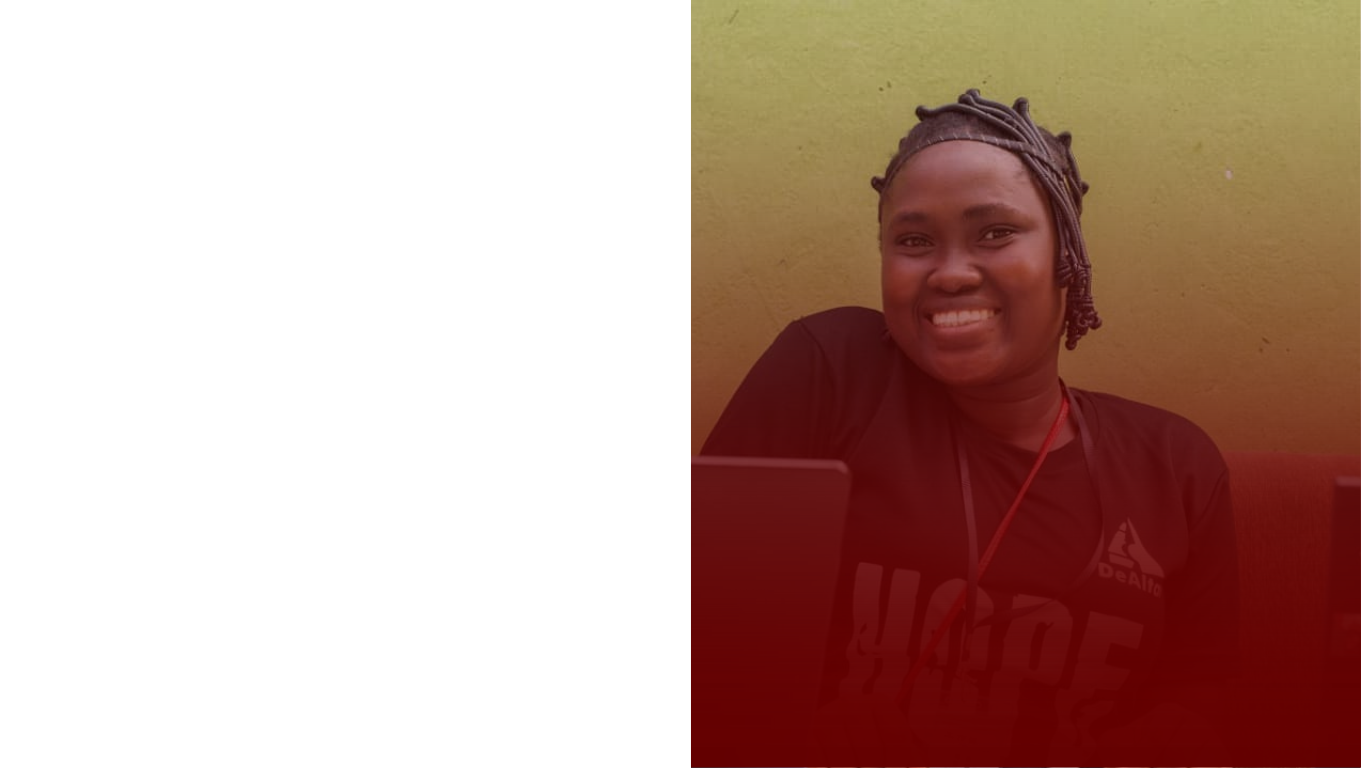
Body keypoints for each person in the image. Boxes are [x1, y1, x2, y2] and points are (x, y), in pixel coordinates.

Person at [700, 89, 1240, 766]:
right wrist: (804, 731)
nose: (951, 273)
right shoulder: (832, 371)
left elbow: (1206, 704)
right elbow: (711, 638)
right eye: (914, 241)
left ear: (1067, 256)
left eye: (995, 232)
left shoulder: (1174, 465)